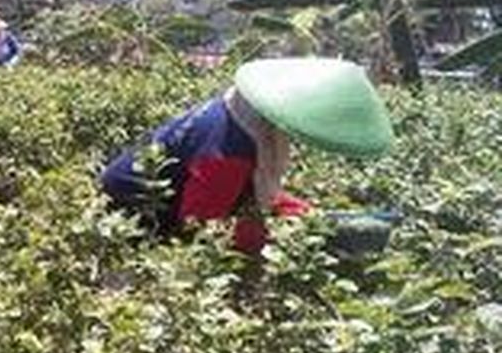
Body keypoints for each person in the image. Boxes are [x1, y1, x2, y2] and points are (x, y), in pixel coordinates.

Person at [97, 58, 395, 254]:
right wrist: (269, 242)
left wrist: (303, 214)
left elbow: (253, 189)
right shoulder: (228, 153)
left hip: (152, 198)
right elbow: (200, 229)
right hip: (127, 221)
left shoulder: (241, 114)